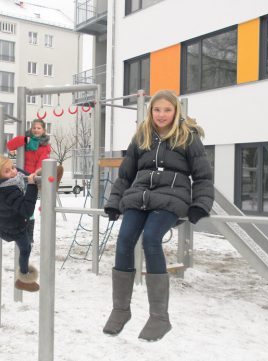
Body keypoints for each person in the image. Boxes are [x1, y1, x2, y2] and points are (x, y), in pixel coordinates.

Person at [102, 90, 214, 341]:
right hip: (139, 195)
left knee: (151, 238)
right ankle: (121, 309)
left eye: (167, 110)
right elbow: (125, 174)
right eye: (157, 110)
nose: (161, 115)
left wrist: (200, 204)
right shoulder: (141, 136)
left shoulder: (188, 137)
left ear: (176, 112)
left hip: (172, 198)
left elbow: (203, 175)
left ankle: (159, 317)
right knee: (124, 240)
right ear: (150, 111)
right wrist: (114, 202)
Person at [0, 155, 40, 292]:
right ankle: (23, 278)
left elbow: (16, 171)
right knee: (25, 249)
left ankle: (29, 236)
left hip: (1, 223)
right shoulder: (9, 190)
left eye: (12, 167)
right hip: (13, 227)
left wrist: (24, 174)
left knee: (28, 224)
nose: (13, 172)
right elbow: (27, 210)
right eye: (7, 171)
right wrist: (32, 186)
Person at [6, 118, 51, 243]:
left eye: (39, 128)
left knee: (28, 207)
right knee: (18, 204)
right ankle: (20, 233)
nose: (36, 130)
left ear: (43, 130)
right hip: (20, 175)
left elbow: (41, 162)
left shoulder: (45, 146)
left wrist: (34, 175)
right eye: (34, 128)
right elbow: (9, 145)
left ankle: (28, 236)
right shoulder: (26, 141)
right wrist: (25, 139)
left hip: (31, 177)